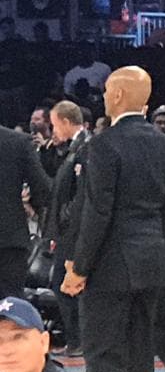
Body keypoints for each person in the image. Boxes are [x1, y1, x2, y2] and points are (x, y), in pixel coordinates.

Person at [61, 67, 165, 372]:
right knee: (138, 364)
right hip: (153, 265)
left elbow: (98, 213)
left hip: (111, 268)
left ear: (116, 96)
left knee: (104, 361)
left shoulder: (104, 144)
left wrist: (78, 267)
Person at [44, 101, 90, 355]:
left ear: (64, 121)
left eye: (54, 125)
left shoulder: (85, 147)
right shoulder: (72, 149)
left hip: (74, 232)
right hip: (66, 231)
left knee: (66, 285)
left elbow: (81, 193)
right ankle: (75, 340)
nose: (54, 131)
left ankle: (80, 340)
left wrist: (65, 219)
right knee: (60, 284)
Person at [0, 120, 50, 299]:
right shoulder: (18, 142)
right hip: (9, 240)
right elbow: (43, 189)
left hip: (9, 242)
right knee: (11, 311)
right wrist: (33, 207)